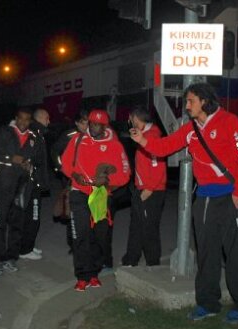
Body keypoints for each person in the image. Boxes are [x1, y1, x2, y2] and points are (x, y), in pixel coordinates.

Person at [130, 82, 238, 324]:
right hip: (204, 199)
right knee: (207, 254)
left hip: (229, 198)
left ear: (205, 102)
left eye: (191, 101)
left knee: (235, 253)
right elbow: (166, 146)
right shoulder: (190, 129)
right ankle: (208, 303)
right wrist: (143, 141)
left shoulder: (229, 122)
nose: (187, 106)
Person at [61, 109, 130, 291]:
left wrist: (107, 181)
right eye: (91, 123)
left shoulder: (115, 145)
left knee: (99, 236)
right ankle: (82, 276)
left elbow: (125, 173)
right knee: (81, 235)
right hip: (79, 193)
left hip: (100, 196)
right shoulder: (78, 140)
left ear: (105, 126)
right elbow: (66, 164)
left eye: (97, 124)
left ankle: (94, 274)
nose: (93, 127)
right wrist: (75, 175)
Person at [0, 108, 47, 275]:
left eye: (27, 120)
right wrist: (9, 158)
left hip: (22, 188)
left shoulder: (33, 137)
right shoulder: (4, 132)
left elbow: (39, 159)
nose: (23, 123)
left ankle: (11, 258)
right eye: (21, 119)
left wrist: (30, 165)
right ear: (15, 118)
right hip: (2, 186)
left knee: (17, 224)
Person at [121, 106, 167, 267]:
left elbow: (158, 165)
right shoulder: (145, 135)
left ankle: (153, 263)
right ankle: (131, 259)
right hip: (142, 189)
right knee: (136, 226)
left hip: (150, 191)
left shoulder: (152, 137)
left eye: (131, 119)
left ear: (136, 119)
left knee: (149, 229)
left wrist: (149, 189)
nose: (129, 122)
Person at [51, 111, 90, 253]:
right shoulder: (69, 135)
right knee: (71, 208)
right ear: (77, 123)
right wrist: (61, 168)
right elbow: (55, 151)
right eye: (84, 123)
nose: (87, 126)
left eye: (88, 122)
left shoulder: (93, 135)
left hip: (87, 179)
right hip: (70, 178)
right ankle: (73, 244)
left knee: (88, 210)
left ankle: (86, 241)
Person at [19, 108, 51, 260]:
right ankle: (25, 250)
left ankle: (28, 245)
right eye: (47, 118)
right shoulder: (34, 134)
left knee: (32, 216)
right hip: (32, 184)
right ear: (41, 118)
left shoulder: (38, 133)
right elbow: (29, 158)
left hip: (35, 182)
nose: (49, 121)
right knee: (33, 217)